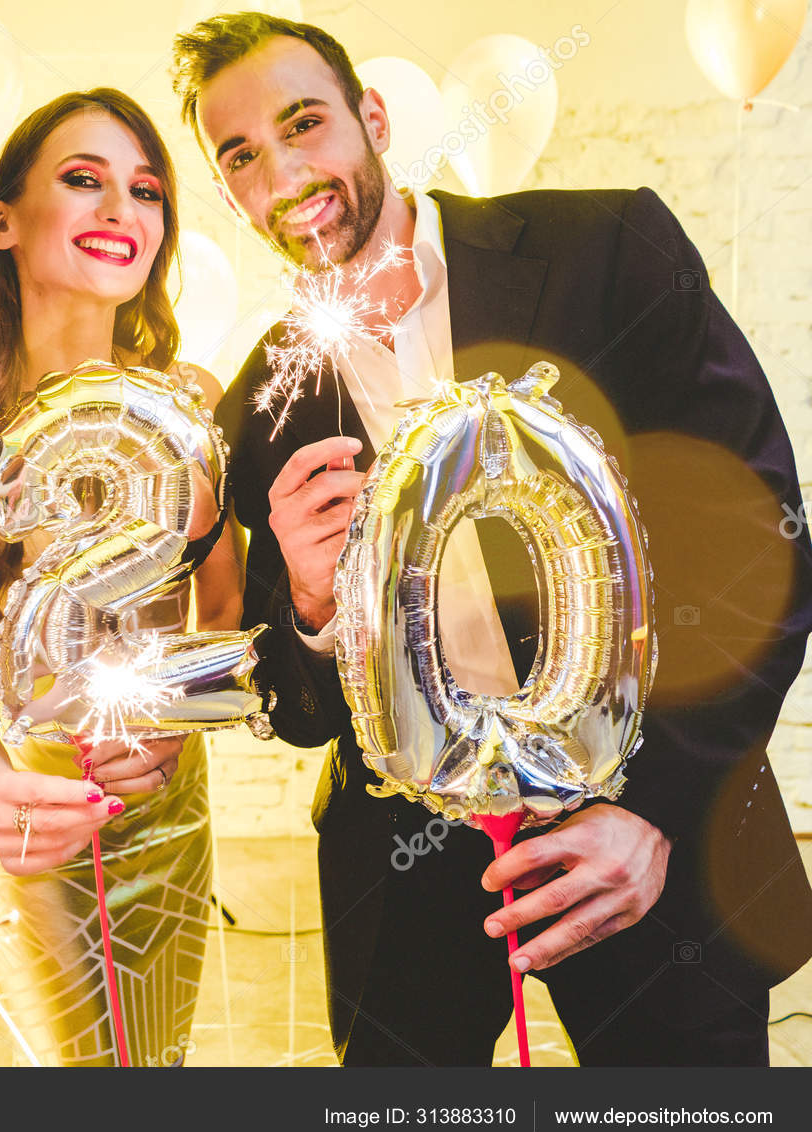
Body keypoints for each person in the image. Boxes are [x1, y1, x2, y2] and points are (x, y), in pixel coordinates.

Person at [170, 13, 812, 1065]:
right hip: (405, 875)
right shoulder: (264, 404)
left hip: (651, 832)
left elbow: (758, 548)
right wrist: (314, 608)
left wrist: (647, 812)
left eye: (303, 124)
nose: (283, 173)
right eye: (240, 154)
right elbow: (290, 705)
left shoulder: (602, 245)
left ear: (370, 118)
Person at [0, 88, 242, 1068]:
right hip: (29, 835)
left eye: (145, 191)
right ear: (1, 221)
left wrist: (178, 718)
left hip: (171, 815)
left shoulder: (189, 405)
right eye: (83, 180)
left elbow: (221, 608)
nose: (118, 210)